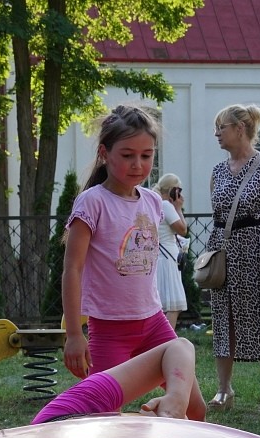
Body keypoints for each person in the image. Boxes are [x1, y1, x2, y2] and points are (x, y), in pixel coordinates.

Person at [62, 105, 175, 380]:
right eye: (127, 155)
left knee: (191, 402)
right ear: (104, 154)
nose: (138, 164)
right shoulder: (92, 202)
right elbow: (72, 269)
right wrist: (75, 334)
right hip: (110, 328)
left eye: (146, 155)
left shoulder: (152, 201)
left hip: (153, 321)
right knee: (106, 414)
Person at [206, 103, 260, 414]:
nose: (216, 134)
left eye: (221, 127)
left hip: (259, 247)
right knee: (223, 317)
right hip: (225, 248)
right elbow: (215, 214)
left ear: (240, 129)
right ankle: (224, 388)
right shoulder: (217, 171)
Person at [32, 337, 207, 424]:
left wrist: (176, 399)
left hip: (60, 419)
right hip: (55, 430)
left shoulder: (89, 399)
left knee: (196, 410)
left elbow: (179, 347)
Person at [153, 173, 188, 329]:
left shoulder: (154, 203)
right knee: (173, 305)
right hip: (168, 259)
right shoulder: (166, 205)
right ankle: (167, 339)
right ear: (174, 190)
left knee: (162, 305)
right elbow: (182, 229)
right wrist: (179, 208)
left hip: (160, 257)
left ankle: (160, 339)